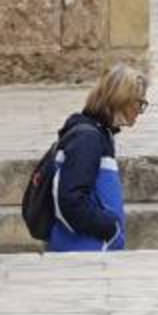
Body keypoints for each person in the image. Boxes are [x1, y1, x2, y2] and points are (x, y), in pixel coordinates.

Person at [49, 64, 147, 253]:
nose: (140, 111)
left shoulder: (99, 134)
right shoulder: (88, 139)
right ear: (122, 99)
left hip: (94, 250)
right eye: (139, 103)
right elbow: (70, 200)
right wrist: (110, 228)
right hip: (84, 252)